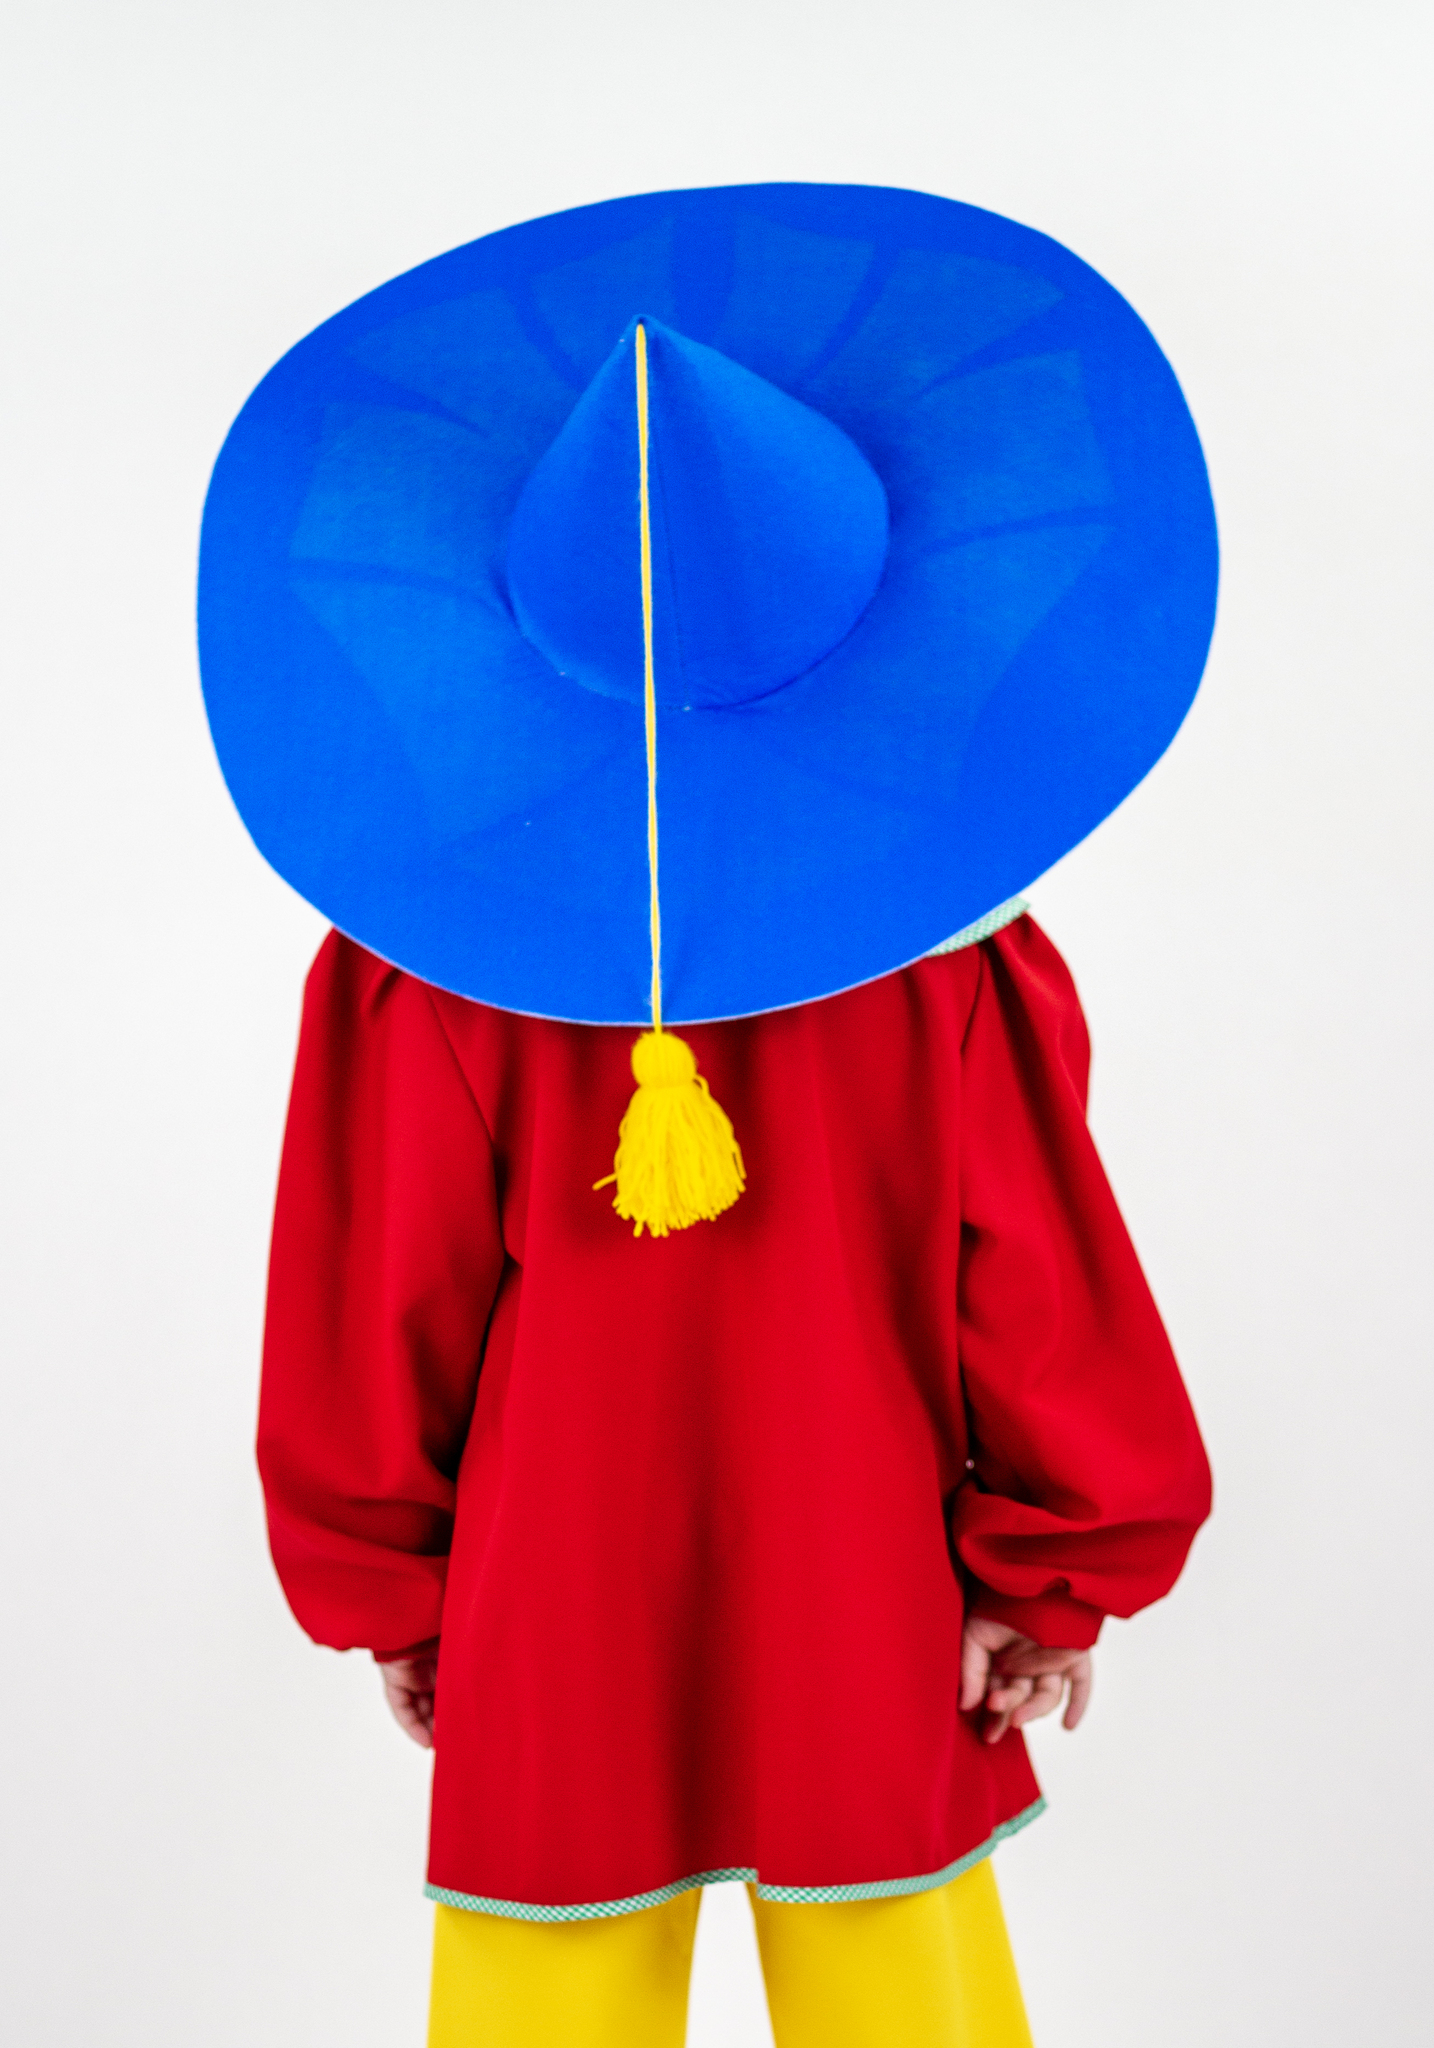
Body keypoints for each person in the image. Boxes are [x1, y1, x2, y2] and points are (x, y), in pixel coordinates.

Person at [201, 183, 1219, 2045]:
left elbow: (374, 1304)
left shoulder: (421, 966)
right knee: (905, 1999)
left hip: (549, 1594)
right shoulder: (953, 962)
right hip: (868, 1577)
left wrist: (404, 1591)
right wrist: (1047, 1580)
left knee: (543, 2001)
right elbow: (1039, 1290)